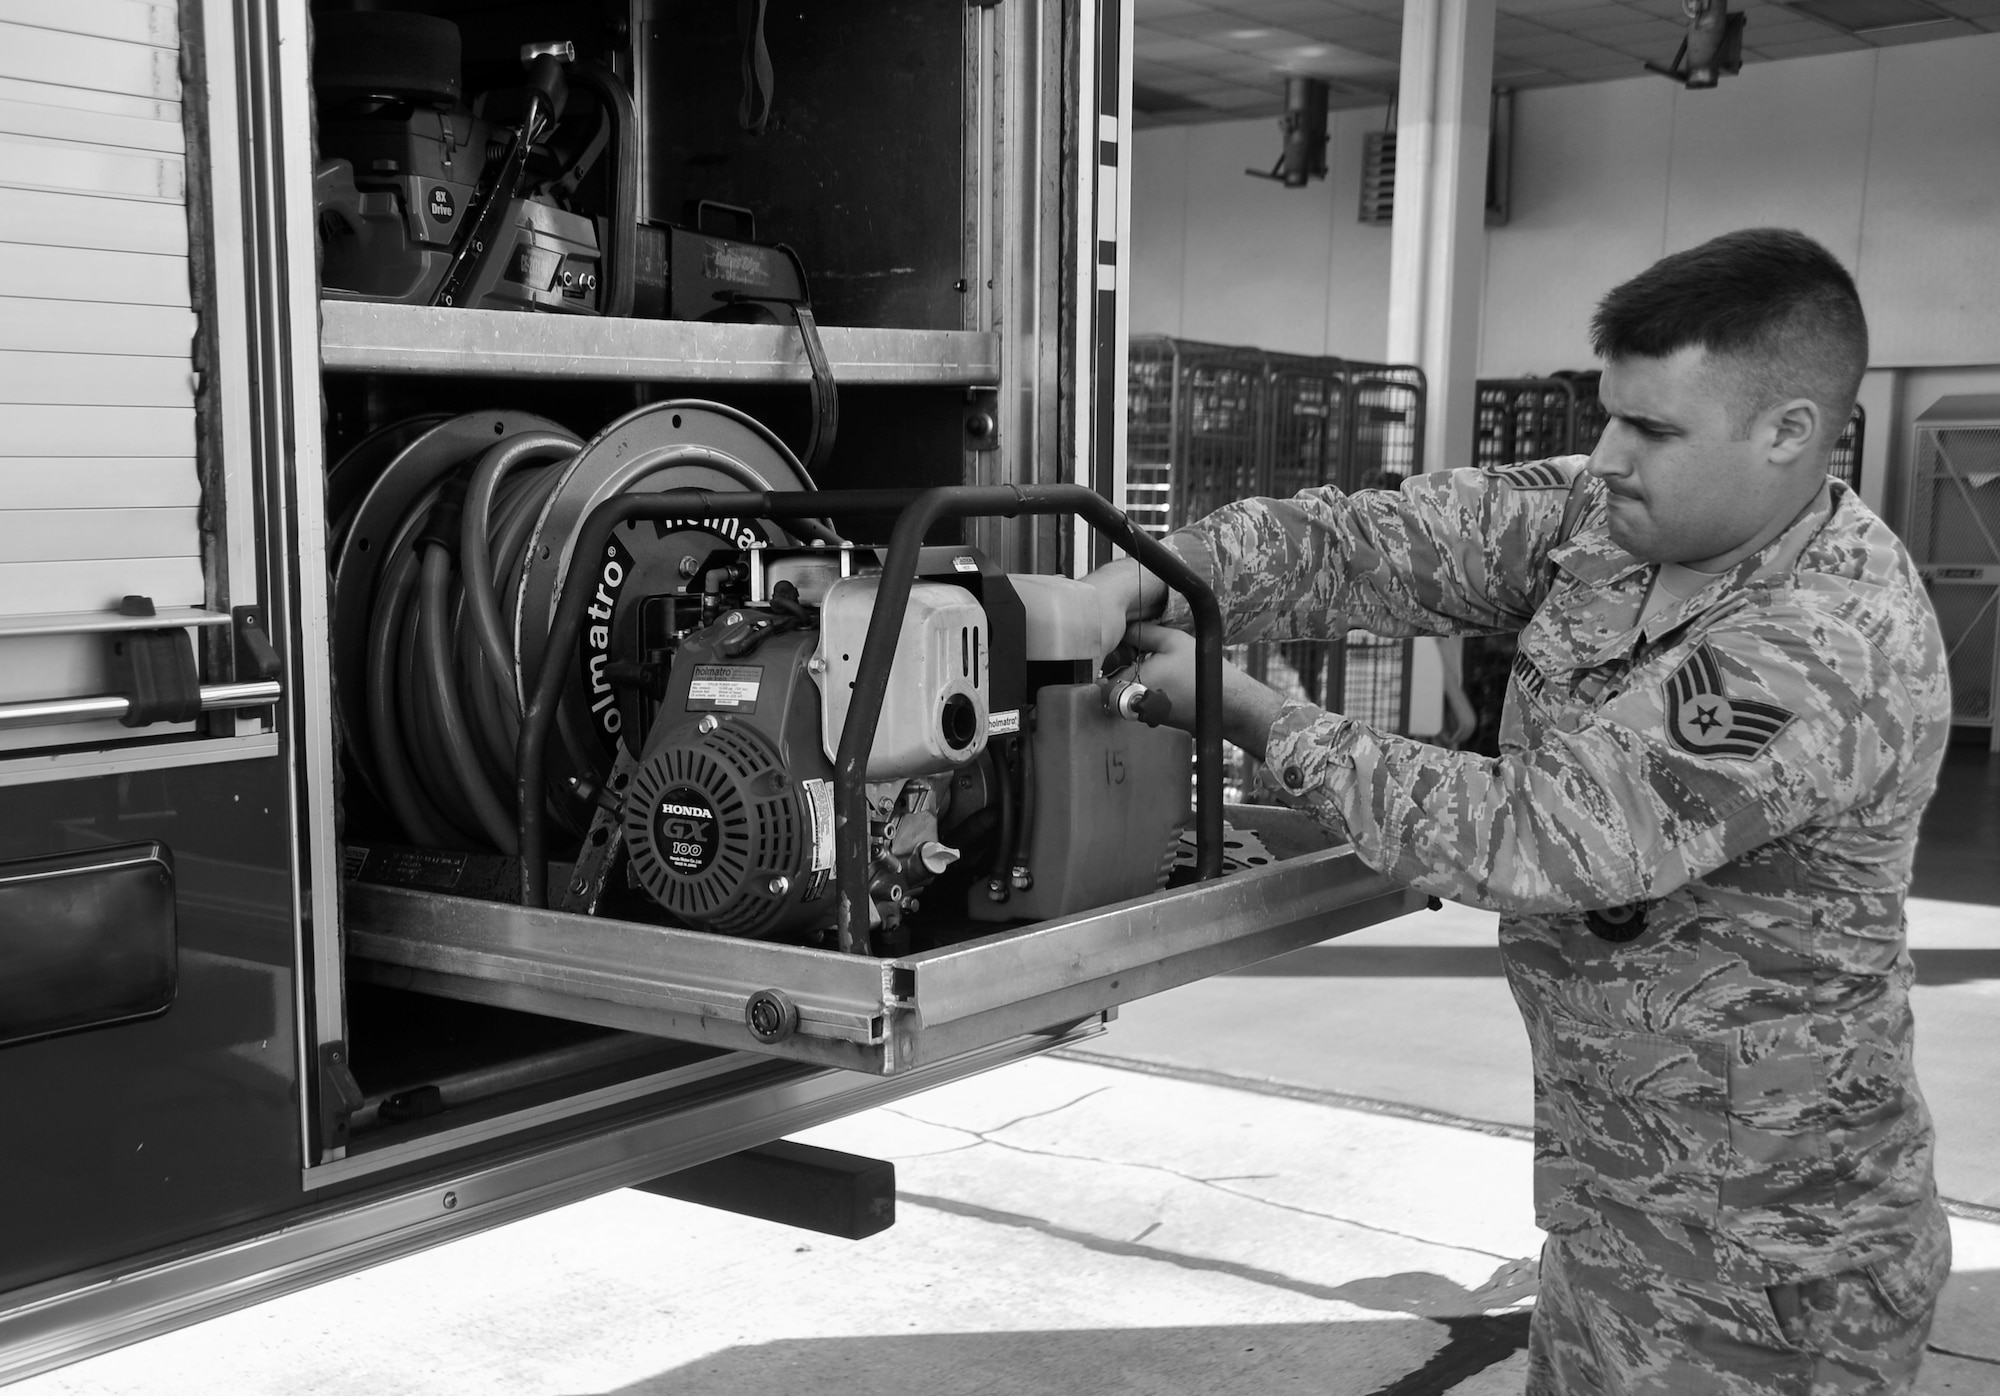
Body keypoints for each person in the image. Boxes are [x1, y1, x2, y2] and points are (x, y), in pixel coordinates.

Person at [1086, 228, 1953, 1393]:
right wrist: (1155, 568)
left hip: (1766, 1258)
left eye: (1649, 428)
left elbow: (1538, 836)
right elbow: (1365, 542)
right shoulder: (1616, 519)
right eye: (1607, 413)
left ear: (1787, 432)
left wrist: (1253, 717)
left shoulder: (1825, 637)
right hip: (1622, 1202)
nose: (1603, 456)